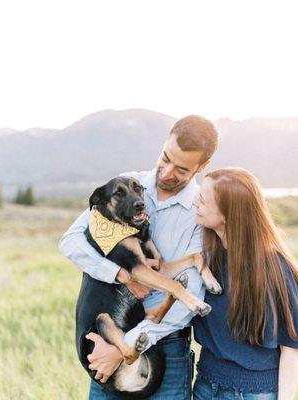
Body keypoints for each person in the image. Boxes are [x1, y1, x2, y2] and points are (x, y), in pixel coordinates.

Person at [59, 115, 219, 399]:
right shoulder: (123, 187)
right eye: (165, 157)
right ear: (164, 142)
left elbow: (191, 294)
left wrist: (126, 349)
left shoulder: (200, 211)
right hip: (107, 343)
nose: (167, 173)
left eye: (181, 169)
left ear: (202, 167)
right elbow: (71, 242)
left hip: (165, 350)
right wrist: (119, 274)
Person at [192, 168, 298, 400]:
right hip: (205, 387)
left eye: (203, 199)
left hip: (254, 393)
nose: (194, 202)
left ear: (229, 214)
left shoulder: (276, 268)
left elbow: (292, 347)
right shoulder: (207, 262)